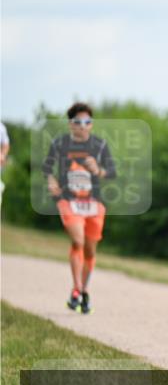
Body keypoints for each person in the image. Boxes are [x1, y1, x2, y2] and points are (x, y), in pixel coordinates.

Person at [42, 103, 117, 314]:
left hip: (93, 202)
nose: (82, 126)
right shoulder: (59, 144)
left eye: (87, 122)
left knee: (90, 250)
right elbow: (47, 167)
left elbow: (111, 172)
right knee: (78, 241)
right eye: (78, 122)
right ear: (70, 124)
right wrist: (51, 181)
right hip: (69, 200)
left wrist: (99, 171)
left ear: (91, 124)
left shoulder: (100, 145)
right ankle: (77, 289)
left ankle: (83, 290)